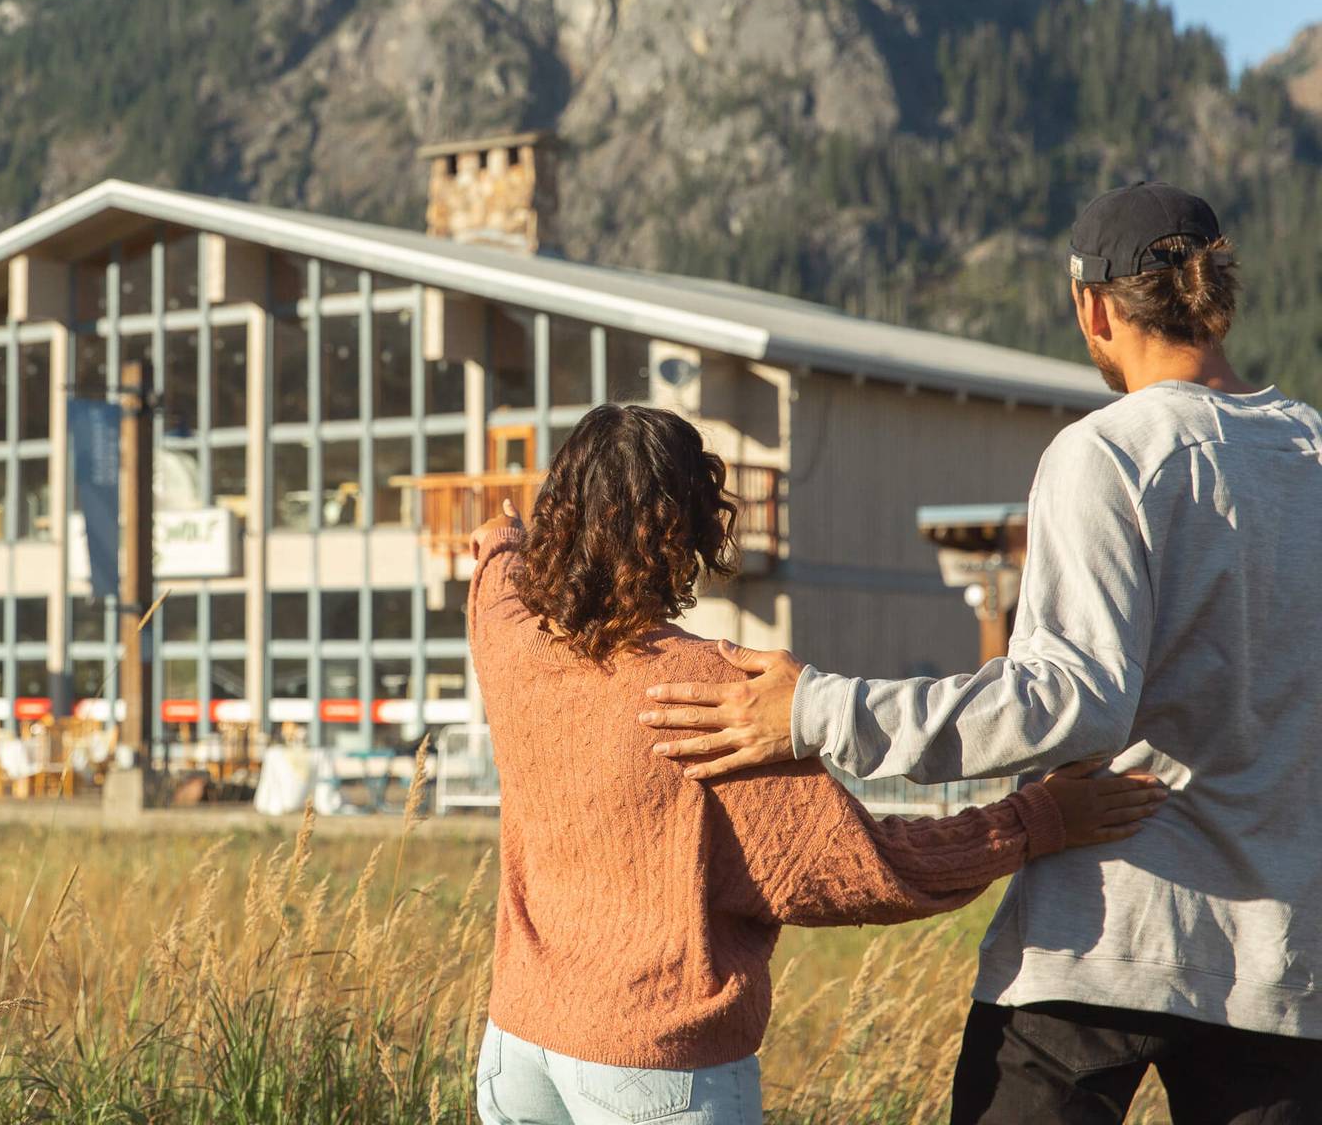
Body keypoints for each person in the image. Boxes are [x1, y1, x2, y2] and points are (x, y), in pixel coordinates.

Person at [638, 182, 1322, 1123]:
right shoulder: (1314, 455)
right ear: (1220, 295)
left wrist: (815, 710)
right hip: (1288, 969)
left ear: (1091, 307)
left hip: (1104, 940)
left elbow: (1069, 698)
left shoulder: (1110, 454)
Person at [467, 403, 1165, 1125]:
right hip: (651, 1064)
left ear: (563, 510)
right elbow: (871, 868)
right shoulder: (705, 694)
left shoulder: (513, 647)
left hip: (517, 1047)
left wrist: (503, 539)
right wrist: (1041, 818)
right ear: (693, 528)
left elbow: (495, 574)